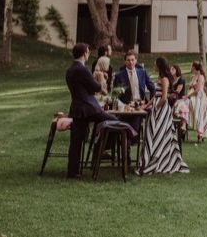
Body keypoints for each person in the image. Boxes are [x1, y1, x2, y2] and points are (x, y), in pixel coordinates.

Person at [65, 43, 116, 178]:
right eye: (88, 51)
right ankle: (99, 151)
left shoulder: (70, 70)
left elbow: (82, 88)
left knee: (76, 141)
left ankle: (73, 171)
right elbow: (95, 87)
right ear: (84, 53)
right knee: (115, 122)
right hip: (89, 108)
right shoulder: (82, 69)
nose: (88, 54)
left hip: (77, 107)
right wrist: (101, 81)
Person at [138, 57, 189, 175]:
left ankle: (160, 160)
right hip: (156, 107)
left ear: (159, 65)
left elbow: (164, 97)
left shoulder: (165, 79)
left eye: (155, 63)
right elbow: (155, 96)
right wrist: (146, 106)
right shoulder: (160, 78)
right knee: (153, 134)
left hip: (161, 110)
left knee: (160, 134)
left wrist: (155, 108)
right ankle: (151, 158)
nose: (154, 65)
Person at [113, 50, 155, 136]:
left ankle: (145, 138)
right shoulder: (119, 75)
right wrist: (123, 106)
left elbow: (152, 88)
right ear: (125, 61)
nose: (130, 62)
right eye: (128, 60)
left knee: (150, 113)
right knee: (130, 119)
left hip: (141, 105)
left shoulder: (142, 72)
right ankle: (129, 138)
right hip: (126, 107)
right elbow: (115, 95)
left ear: (136, 61)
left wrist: (150, 102)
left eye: (132, 60)